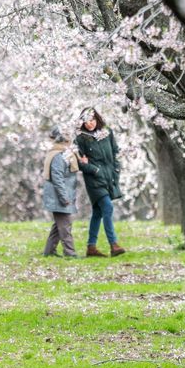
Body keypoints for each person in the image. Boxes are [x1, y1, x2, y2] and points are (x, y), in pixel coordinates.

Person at [75, 107, 126, 258]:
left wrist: (116, 169)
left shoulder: (107, 133)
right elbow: (78, 162)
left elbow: (116, 152)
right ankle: (114, 244)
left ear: (97, 119)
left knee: (97, 213)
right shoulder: (81, 138)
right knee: (108, 208)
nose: (89, 124)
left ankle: (91, 247)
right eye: (86, 121)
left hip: (109, 177)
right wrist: (93, 169)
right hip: (94, 180)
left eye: (92, 120)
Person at [42, 126, 79, 258]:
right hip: (59, 196)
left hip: (61, 195)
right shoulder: (59, 155)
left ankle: (49, 251)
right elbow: (57, 178)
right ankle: (70, 253)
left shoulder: (62, 153)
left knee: (59, 226)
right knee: (65, 226)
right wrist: (64, 198)